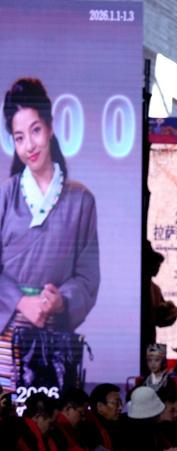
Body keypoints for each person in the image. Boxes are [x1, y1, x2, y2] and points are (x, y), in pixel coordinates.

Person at [0, 78, 99, 393]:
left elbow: (87, 277)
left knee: (50, 412)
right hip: (5, 335)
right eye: (19, 137)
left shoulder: (81, 200)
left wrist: (60, 302)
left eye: (35, 131)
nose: (29, 145)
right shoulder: (4, 196)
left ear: (50, 127)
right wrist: (20, 301)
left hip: (54, 339)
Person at [84, 383, 124, 450]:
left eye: (121, 403)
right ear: (100, 406)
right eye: (116, 403)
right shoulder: (89, 431)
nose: (120, 407)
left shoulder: (117, 425)